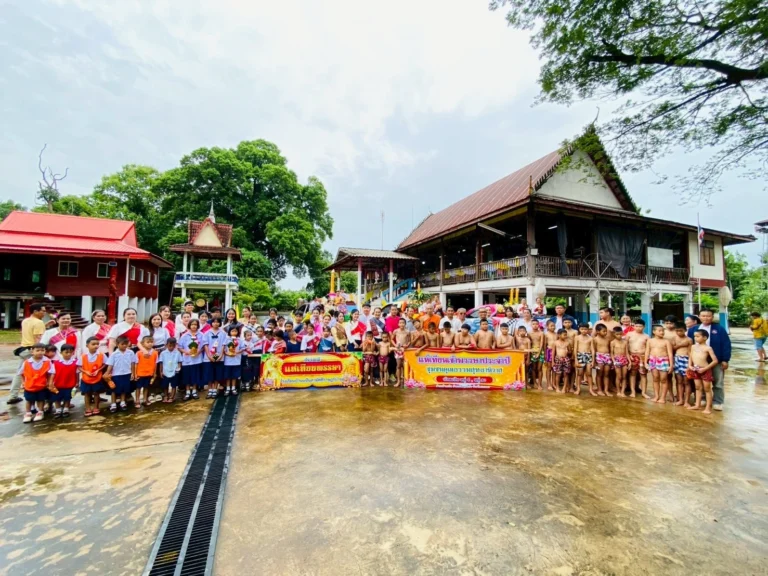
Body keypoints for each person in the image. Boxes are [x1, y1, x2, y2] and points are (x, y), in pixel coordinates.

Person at [687, 308, 731, 411]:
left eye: (708, 316)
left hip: (715, 360)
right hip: (699, 361)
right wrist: (690, 362)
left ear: (712, 317)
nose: (706, 318)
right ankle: (702, 399)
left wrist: (725, 359)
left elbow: (726, 344)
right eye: (703, 316)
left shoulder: (719, 329)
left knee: (718, 381)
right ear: (699, 317)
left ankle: (718, 401)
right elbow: (689, 345)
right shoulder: (693, 329)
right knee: (699, 381)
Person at [18, 342, 55, 423]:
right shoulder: (27, 362)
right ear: (32, 351)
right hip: (29, 386)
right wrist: (23, 382)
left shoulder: (47, 361)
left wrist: (50, 382)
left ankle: (40, 412)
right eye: (37, 350)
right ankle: (28, 413)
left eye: (42, 350)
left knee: (41, 399)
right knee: (29, 400)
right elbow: (21, 373)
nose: (40, 352)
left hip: (42, 386)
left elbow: (51, 373)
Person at [686, 329, 719, 415]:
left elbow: (715, 361)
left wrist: (705, 369)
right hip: (695, 369)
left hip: (705, 370)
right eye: (695, 336)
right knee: (697, 387)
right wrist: (690, 366)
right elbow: (691, 357)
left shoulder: (708, 348)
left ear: (705, 338)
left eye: (698, 336)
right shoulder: (693, 347)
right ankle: (697, 405)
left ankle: (708, 407)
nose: (695, 338)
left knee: (707, 389)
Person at [104, 336, 136, 412]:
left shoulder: (130, 353)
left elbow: (133, 363)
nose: (124, 345)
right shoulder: (114, 354)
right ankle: (113, 404)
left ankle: (122, 402)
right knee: (114, 389)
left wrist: (133, 373)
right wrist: (107, 373)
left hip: (127, 373)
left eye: (126, 344)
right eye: (122, 344)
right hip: (116, 374)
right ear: (117, 344)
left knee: (124, 389)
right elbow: (110, 364)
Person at [178, 319, 205, 401]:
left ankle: (194, 390)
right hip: (187, 359)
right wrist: (186, 352)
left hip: (197, 359)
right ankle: (187, 391)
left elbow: (203, 346)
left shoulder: (201, 335)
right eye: (192, 324)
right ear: (189, 325)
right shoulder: (184, 335)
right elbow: (179, 347)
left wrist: (198, 352)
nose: (194, 326)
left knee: (195, 375)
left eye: (195, 324)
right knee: (187, 376)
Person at [646, 325, 673, 404]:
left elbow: (670, 354)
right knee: (655, 378)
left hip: (663, 361)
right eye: (660, 331)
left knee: (664, 379)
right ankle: (656, 396)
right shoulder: (650, 341)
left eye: (663, 331)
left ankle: (662, 397)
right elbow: (647, 352)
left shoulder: (666, 341)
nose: (662, 332)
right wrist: (645, 362)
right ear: (654, 332)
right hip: (653, 360)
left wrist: (671, 365)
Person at [79, 336, 106, 416]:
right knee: (87, 394)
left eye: (97, 344)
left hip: (97, 378)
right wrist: (85, 371)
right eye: (93, 344)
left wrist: (98, 370)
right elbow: (79, 366)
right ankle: (87, 408)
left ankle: (96, 407)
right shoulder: (83, 356)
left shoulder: (101, 355)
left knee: (96, 393)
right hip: (86, 378)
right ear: (87, 345)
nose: (96, 346)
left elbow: (105, 364)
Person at [51, 343, 77, 418]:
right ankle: (58, 409)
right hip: (58, 384)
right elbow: (52, 373)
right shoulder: (56, 363)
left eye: (70, 352)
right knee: (57, 397)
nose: (68, 354)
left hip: (70, 384)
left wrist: (77, 382)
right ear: (61, 352)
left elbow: (77, 373)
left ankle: (66, 408)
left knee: (68, 397)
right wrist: (50, 383)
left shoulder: (75, 362)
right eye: (66, 352)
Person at [627, 319, 649, 399]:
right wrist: (628, 355)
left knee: (643, 375)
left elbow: (648, 349)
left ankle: (644, 392)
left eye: (640, 326)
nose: (638, 328)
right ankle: (633, 391)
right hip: (632, 356)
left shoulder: (646, 336)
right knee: (632, 374)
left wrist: (645, 360)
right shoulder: (629, 334)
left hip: (642, 357)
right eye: (636, 326)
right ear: (633, 326)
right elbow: (625, 346)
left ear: (644, 327)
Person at [204, 317, 226, 398]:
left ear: (220, 323)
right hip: (209, 358)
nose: (215, 323)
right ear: (211, 323)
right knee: (209, 374)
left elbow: (224, 345)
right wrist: (209, 356)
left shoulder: (223, 333)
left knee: (217, 374)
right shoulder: (207, 333)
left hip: (219, 356)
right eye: (214, 322)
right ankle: (210, 389)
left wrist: (221, 355)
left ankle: (215, 389)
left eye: (217, 322)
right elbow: (205, 345)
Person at [134, 335, 158, 407]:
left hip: (149, 373)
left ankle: (145, 399)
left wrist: (154, 373)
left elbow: (155, 364)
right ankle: (137, 400)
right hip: (140, 373)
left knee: (146, 387)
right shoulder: (139, 353)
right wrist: (135, 373)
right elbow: (136, 364)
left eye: (151, 342)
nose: (150, 344)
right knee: (138, 388)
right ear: (142, 343)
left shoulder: (155, 353)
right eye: (148, 342)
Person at [673, 322, 693, 407]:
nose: (679, 332)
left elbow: (690, 352)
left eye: (681, 331)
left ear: (685, 330)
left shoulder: (689, 340)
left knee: (687, 381)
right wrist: (681, 345)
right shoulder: (674, 338)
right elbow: (672, 348)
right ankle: (681, 399)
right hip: (677, 358)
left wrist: (690, 364)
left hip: (686, 359)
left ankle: (686, 401)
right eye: (677, 331)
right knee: (679, 381)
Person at [159, 337, 182, 403]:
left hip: (174, 371)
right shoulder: (163, 353)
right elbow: (161, 363)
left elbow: (179, 362)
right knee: (165, 385)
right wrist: (161, 371)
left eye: (173, 346)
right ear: (166, 345)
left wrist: (178, 368)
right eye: (170, 346)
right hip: (165, 371)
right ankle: (166, 396)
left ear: (175, 345)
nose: (171, 347)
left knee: (174, 385)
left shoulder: (177, 353)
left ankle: (172, 397)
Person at [223, 325, 245, 396]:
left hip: (236, 360)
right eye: (232, 331)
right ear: (229, 332)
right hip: (227, 360)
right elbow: (223, 348)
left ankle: (233, 388)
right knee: (228, 375)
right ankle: (227, 388)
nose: (234, 332)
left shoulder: (240, 340)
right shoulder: (226, 339)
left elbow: (243, 348)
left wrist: (237, 352)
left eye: (235, 331)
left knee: (235, 375)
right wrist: (227, 353)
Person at [574, 324, 594, 396]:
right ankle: (578, 388)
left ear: (588, 330)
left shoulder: (590, 338)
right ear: (579, 329)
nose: (584, 331)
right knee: (579, 373)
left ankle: (591, 389)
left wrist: (593, 360)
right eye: (582, 329)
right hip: (580, 355)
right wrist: (576, 359)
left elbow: (592, 349)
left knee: (589, 373)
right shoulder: (577, 337)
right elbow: (575, 348)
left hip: (588, 355)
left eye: (585, 329)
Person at [593, 323, 612, 396]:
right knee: (599, 374)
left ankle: (606, 390)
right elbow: (594, 350)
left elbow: (609, 349)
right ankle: (599, 389)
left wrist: (611, 358)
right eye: (603, 331)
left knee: (606, 374)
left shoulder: (607, 339)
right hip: (599, 356)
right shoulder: (595, 339)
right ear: (598, 331)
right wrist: (594, 361)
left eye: (606, 331)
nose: (605, 333)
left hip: (607, 356)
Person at [610, 327, 630, 397]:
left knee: (624, 376)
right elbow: (611, 353)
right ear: (614, 334)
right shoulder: (612, 342)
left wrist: (629, 362)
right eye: (617, 334)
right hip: (616, 360)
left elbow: (627, 353)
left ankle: (622, 391)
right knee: (619, 376)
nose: (619, 336)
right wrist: (614, 361)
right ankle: (618, 391)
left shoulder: (625, 342)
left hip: (624, 359)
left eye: (620, 334)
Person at [552, 329, 572, 393]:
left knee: (566, 374)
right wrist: (553, 361)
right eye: (564, 335)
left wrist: (568, 351)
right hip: (558, 359)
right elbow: (553, 353)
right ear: (559, 335)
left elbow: (570, 351)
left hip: (566, 359)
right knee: (558, 374)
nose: (566, 336)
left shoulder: (567, 343)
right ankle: (557, 387)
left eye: (566, 335)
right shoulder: (555, 343)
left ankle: (564, 387)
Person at [392, 318, 410, 387]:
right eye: (400, 323)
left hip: (405, 350)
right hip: (398, 350)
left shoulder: (408, 332)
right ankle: (398, 381)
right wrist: (395, 345)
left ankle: (405, 381)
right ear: (398, 324)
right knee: (398, 365)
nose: (401, 324)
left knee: (405, 366)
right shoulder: (396, 331)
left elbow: (409, 341)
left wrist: (407, 345)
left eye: (403, 323)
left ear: (405, 324)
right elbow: (392, 339)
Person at [529, 321, 544, 390]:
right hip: (532, 351)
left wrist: (538, 353)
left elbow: (541, 343)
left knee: (539, 368)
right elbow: (529, 343)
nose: (535, 325)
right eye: (533, 324)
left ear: (538, 325)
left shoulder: (541, 333)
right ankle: (535, 382)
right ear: (531, 325)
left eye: (536, 324)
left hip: (540, 351)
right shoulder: (529, 333)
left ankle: (540, 384)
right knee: (533, 368)